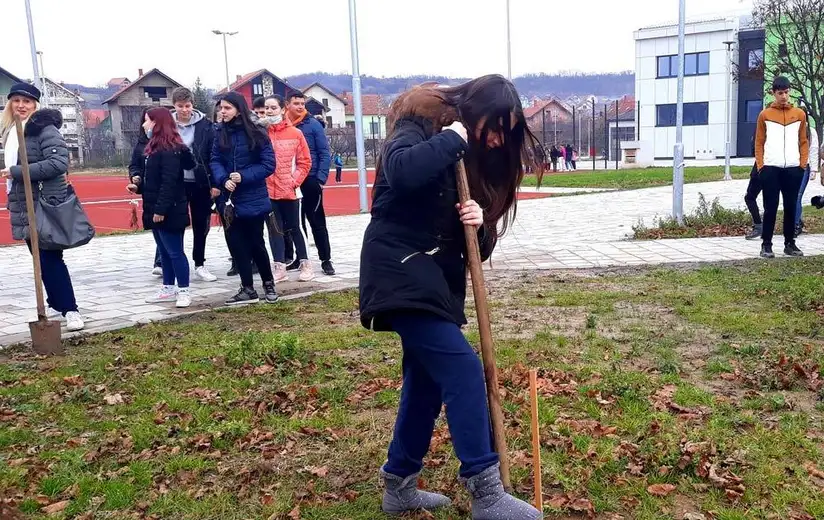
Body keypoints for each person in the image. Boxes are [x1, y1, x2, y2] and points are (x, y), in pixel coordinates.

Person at [359, 75, 542, 519]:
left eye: (508, 130)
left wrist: (479, 223)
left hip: (436, 283)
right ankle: (487, 492)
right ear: (473, 113)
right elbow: (400, 174)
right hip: (398, 271)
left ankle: (399, 485)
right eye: (494, 126)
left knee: (425, 384)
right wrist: (452, 140)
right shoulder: (420, 124)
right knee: (461, 368)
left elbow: (476, 250)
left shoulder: (474, 158)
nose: (499, 138)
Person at [1, 83, 84, 332]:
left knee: (50, 257)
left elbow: (58, 163)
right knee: (39, 259)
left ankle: (71, 309)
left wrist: (17, 172)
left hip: (45, 202)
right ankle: (55, 302)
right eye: (16, 101)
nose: (21, 105)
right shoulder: (11, 131)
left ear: (35, 104)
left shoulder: (44, 129)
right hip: (22, 202)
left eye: (26, 101)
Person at [210, 92, 279, 305]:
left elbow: (268, 165)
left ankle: (268, 284)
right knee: (236, 245)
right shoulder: (219, 132)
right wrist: (222, 179)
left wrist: (244, 176)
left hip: (253, 197)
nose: (222, 112)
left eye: (227, 108)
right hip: (229, 200)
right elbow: (214, 160)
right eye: (221, 108)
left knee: (256, 243)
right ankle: (247, 288)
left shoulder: (257, 133)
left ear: (239, 110)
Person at [127, 108, 195, 307]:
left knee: (175, 251)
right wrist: (138, 184)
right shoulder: (151, 148)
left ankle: (183, 290)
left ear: (157, 123)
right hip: (153, 206)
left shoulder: (169, 150)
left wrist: (160, 210)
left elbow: (169, 182)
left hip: (170, 209)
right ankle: (168, 286)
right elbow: (152, 180)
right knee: (164, 251)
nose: (144, 125)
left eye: (147, 121)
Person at [754, 76, 809, 258]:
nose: (784, 96)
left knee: (791, 207)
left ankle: (790, 244)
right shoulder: (765, 115)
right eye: (780, 93)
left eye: (786, 92)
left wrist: (802, 164)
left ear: (789, 91)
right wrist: (761, 166)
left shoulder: (800, 114)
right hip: (770, 168)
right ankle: (766, 245)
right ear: (774, 93)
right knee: (771, 207)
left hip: (793, 168)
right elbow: (759, 142)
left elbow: (803, 140)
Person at [262, 95, 314, 282]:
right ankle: (279, 267)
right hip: (268, 191)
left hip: (290, 191)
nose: (269, 111)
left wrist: (294, 181)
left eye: (273, 108)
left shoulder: (295, 134)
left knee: (295, 227)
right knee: (274, 230)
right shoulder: (262, 133)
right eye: (267, 108)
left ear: (283, 109)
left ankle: (305, 264)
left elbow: (305, 162)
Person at [171, 87, 220, 282]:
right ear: (174, 106)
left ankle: (199, 263)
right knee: (176, 225)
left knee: (201, 224)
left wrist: (214, 182)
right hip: (177, 182)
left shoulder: (205, 126)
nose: (184, 110)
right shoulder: (166, 125)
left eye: (188, 106)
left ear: (193, 105)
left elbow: (213, 155)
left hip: (201, 182)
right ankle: (174, 263)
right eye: (180, 106)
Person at [286, 92, 335, 275]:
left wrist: (320, 179)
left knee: (316, 220)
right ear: (287, 105)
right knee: (295, 223)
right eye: (296, 103)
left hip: (311, 179)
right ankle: (301, 257)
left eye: (302, 103)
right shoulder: (283, 125)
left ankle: (326, 259)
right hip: (290, 181)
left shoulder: (313, 125)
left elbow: (324, 153)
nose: (300, 106)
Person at [127, 107, 163, 275]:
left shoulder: (168, 145)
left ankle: (162, 262)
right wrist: (136, 177)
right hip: (149, 194)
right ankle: (162, 262)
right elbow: (135, 165)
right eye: (144, 120)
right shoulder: (141, 144)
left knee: (167, 230)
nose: (144, 124)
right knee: (157, 229)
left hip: (165, 193)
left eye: (148, 120)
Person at [794, 111, 819, 237]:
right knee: (792, 195)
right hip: (791, 166)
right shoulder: (792, 129)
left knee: (797, 195)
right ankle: (797, 221)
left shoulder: (811, 131)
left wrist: (814, 169)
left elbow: (814, 150)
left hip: (804, 167)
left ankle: (796, 224)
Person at [744, 135, 763, 240]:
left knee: (749, 197)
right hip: (776, 169)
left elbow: (754, 148)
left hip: (760, 169)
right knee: (770, 200)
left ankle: (758, 225)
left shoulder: (761, 126)